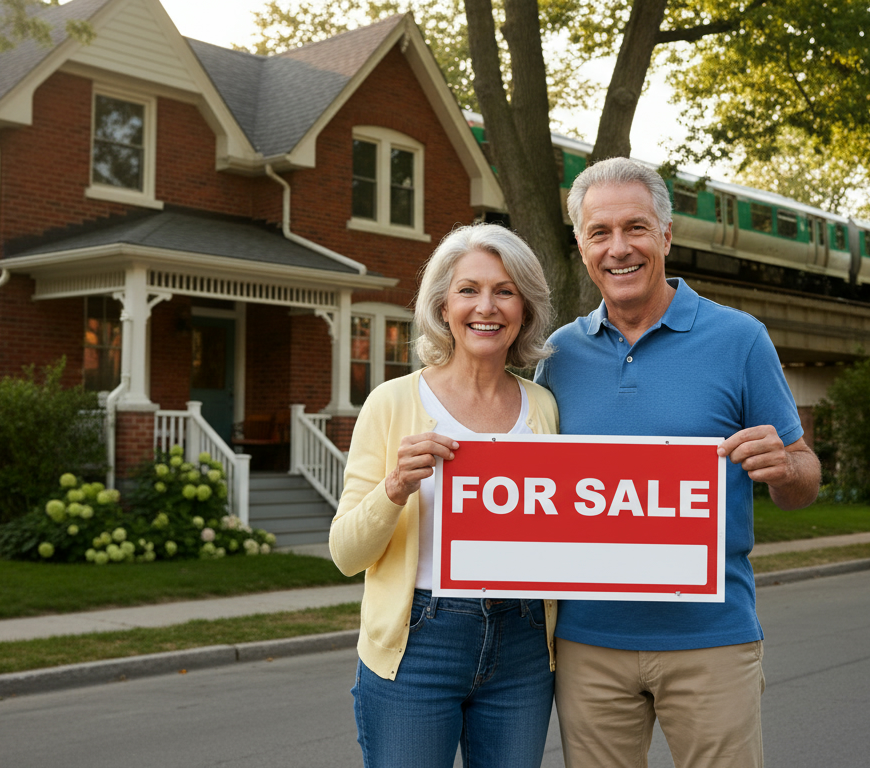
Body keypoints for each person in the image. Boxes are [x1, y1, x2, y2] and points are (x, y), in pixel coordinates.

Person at [535, 157, 822, 768]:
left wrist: (785, 467)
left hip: (711, 640)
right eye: (600, 233)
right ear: (582, 247)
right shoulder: (557, 354)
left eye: (636, 228)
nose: (619, 249)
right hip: (587, 645)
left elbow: (804, 477)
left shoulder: (740, 338)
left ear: (666, 235)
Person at [330, 224, 560, 768]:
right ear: (443, 306)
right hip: (419, 642)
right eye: (468, 290)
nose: (487, 306)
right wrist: (394, 488)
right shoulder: (391, 403)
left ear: (524, 308)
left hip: (524, 643)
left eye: (505, 290)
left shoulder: (545, 407)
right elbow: (345, 553)